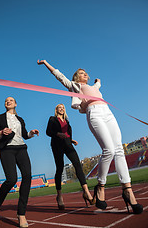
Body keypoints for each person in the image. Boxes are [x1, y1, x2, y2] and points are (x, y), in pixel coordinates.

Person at [37, 59, 143, 214]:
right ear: (75, 78)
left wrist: (98, 82)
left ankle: (128, 191)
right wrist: (46, 63)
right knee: (108, 150)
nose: (85, 74)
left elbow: (97, 86)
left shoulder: (93, 86)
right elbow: (60, 76)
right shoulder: (76, 86)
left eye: (85, 72)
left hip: (108, 113)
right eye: (81, 73)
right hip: (94, 114)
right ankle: (100, 187)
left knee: (119, 149)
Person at [0, 97, 39, 227]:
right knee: (11, 179)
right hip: (7, 149)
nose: (8, 101)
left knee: (27, 176)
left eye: (11, 100)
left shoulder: (20, 119)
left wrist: (31, 133)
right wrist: (1, 132)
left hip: (21, 148)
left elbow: (24, 135)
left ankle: (21, 214)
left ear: (15, 104)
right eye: (6, 100)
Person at [46, 103, 94, 209]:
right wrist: (58, 134)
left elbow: (67, 133)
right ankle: (59, 196)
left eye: (63, 108)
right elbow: (48, 132)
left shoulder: (67, 121)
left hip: (68, 145)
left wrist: (71, 140)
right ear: (56, 110)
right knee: (59, 168)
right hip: (57, 145)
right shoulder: (52, 119)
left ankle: (86, 192)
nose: (61, 109)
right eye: (59, 108)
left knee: (78, 164)